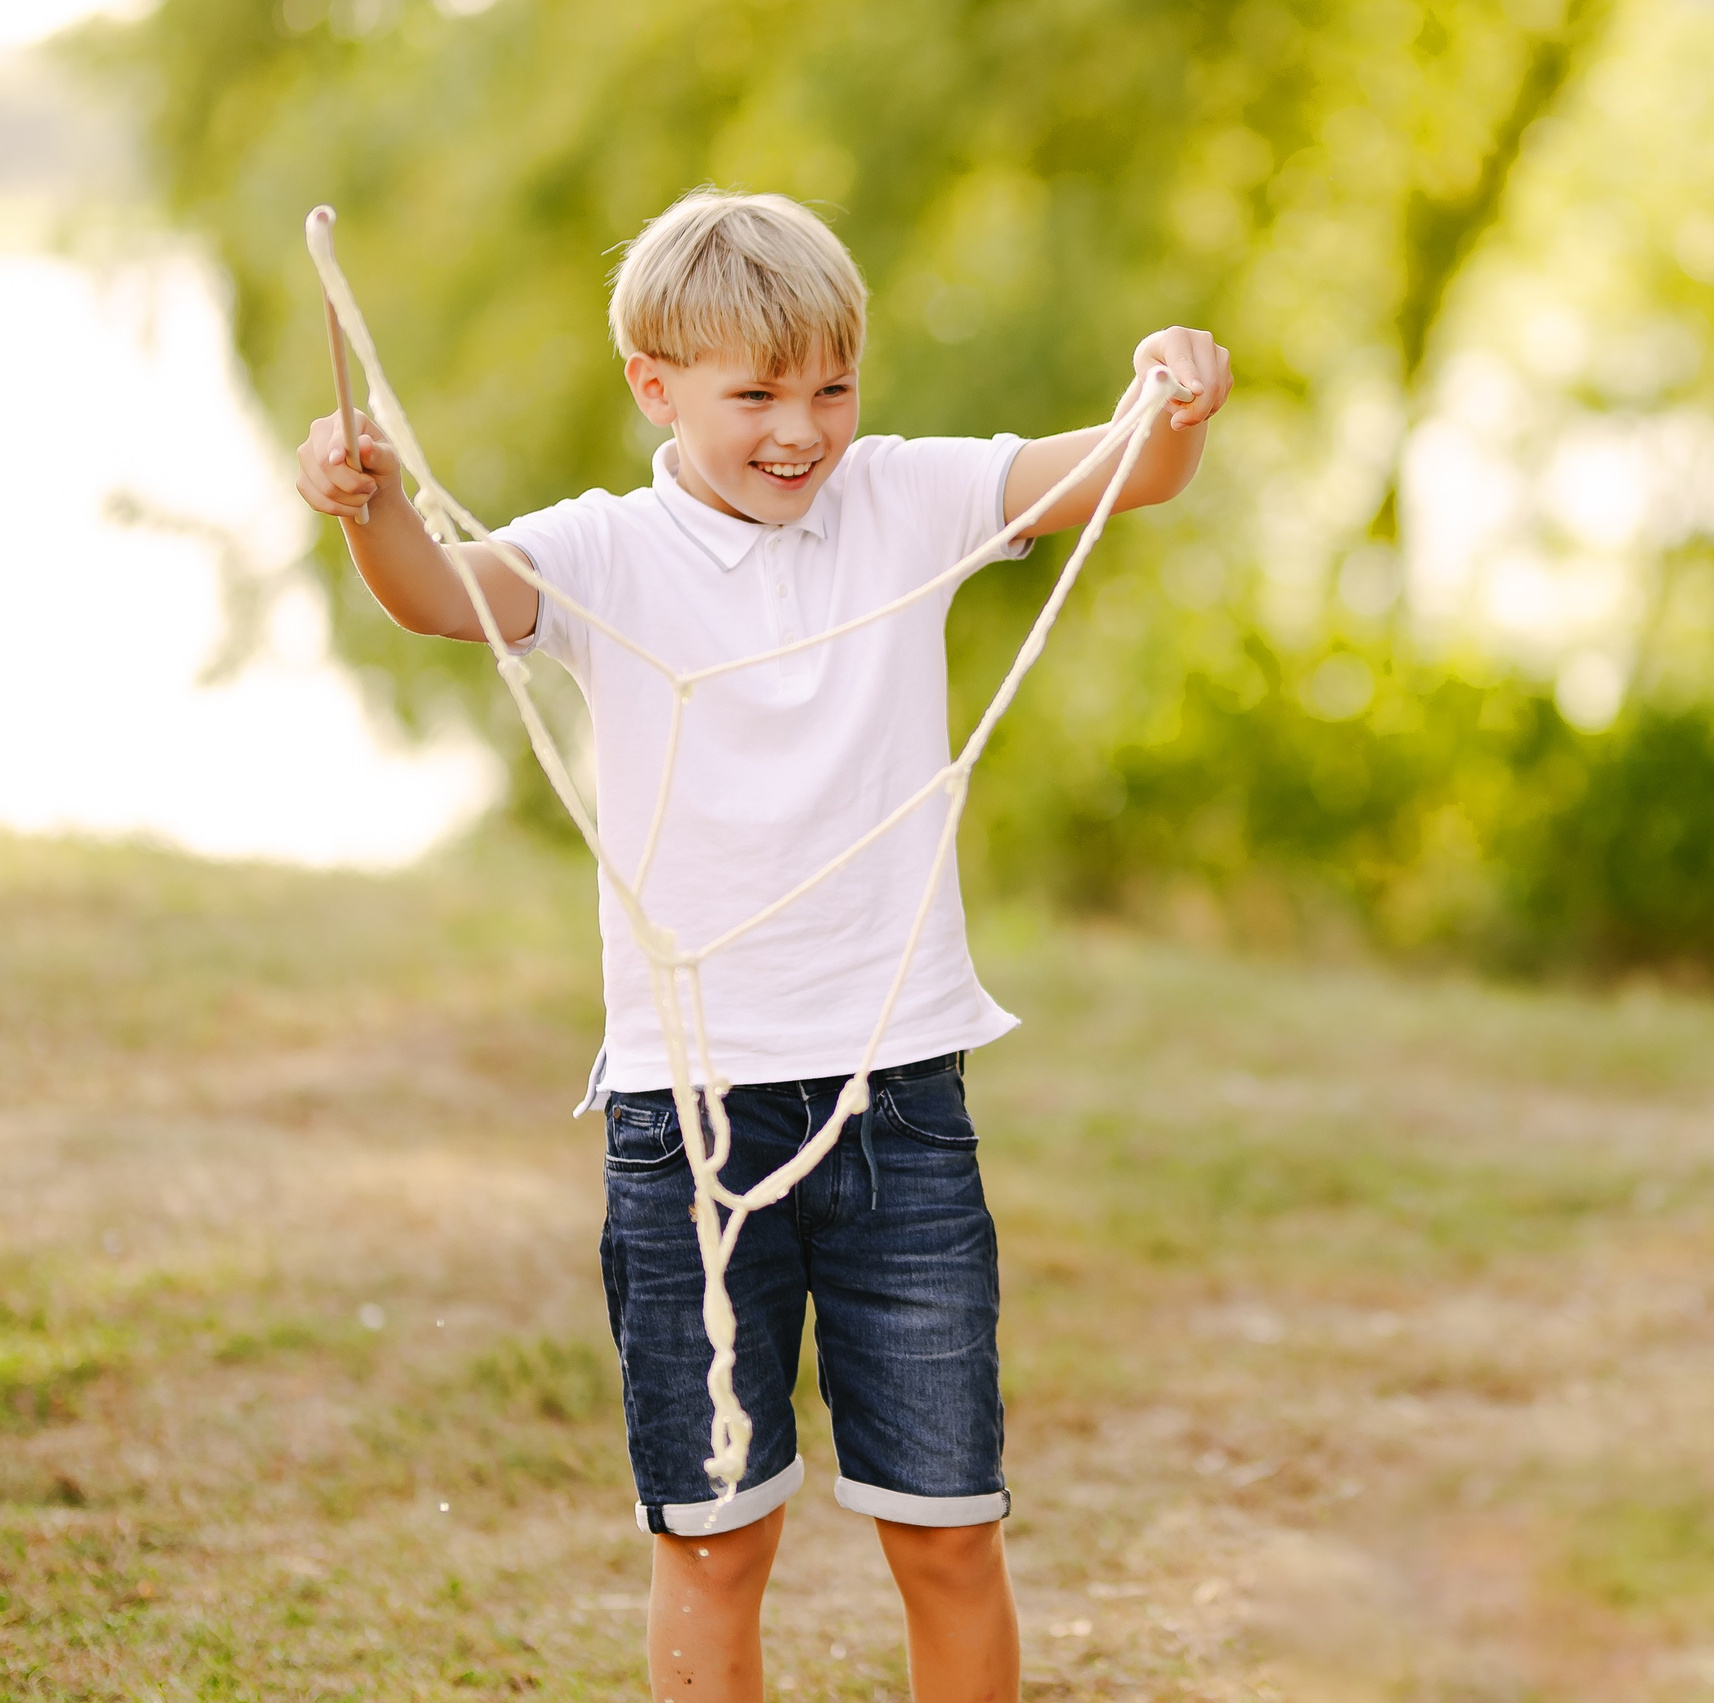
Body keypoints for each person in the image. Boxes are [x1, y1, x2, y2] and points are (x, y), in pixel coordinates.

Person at [292, 188, 1231, 1703]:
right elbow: (436, 598)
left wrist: (1171, 395)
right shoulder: (603, 552)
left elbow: (1134, 469)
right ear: (654, 387)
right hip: (690, 1120)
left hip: (901, 1107)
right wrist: (368, 509)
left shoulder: (909, 497)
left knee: (950, 1532)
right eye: (758, 397)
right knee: (716, 1545)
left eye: (833, 389)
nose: (803, 432)